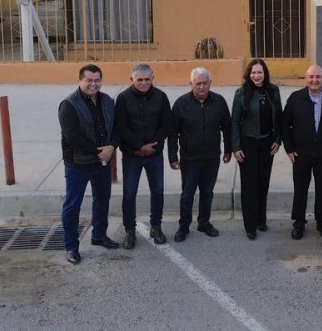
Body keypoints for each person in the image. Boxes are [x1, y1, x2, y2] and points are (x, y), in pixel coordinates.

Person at [59, 64, 119, 264]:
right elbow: (73, 137)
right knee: (72, 205)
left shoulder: (107, 101)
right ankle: (71, 247)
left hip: (102, 161)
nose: (93, 84)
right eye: (89, 80)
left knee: (102, 199)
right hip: (78, 163)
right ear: (80, 80)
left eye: (97, 80)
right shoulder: (69, 104)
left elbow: (116, 127)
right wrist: (100, 152)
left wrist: (111, 146)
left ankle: (99, 235)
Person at [282, 64, 322, 240]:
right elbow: (284, 125)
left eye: (318, 77)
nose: (314, 80)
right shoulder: (296, 98)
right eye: (311, 77)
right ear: (305, 79)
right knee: (300, 189)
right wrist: (289, 149)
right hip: (300, 155)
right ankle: (298, 223)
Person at [168, 67, 231, 242]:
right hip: (190, 158)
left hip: (212, 157)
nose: (202, 87)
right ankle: (183, 226)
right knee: (187, 194)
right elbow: (173, 132)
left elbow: (227, 127)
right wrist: (173, 157)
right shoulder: (181, 104)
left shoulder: (219, 102)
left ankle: (204, 223)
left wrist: (228, 150)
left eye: (205, 83)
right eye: (198, 83)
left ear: (210, 83)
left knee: (207, 193)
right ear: (191, 84)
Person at [115, 63, 172, 249]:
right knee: (129, 194)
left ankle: (156, 227)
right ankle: (130, 231)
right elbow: (122, 127)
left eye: (147, 79)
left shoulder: (161, 97)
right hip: (132, 155)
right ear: (131, 80)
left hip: (154, 155)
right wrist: (139, 147)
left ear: (152, 78)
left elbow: (166, 125)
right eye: (140, 79)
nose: (144, 83)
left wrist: (151, 147)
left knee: (158, 191)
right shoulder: (123, 99)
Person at [231, 58, 283, 240]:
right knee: (249, 185)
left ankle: (261, 220)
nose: (256, 76)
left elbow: (279, 117)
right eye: (253, 72)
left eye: (260, 72)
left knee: (263, 184)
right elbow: (235, 121)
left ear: (265, 73)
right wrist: (235, 147)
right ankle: (250, 225)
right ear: (249, 74)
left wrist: (278, 139)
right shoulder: (241, 93)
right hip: (248, 144)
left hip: (267, 143)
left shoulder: (273, 91)